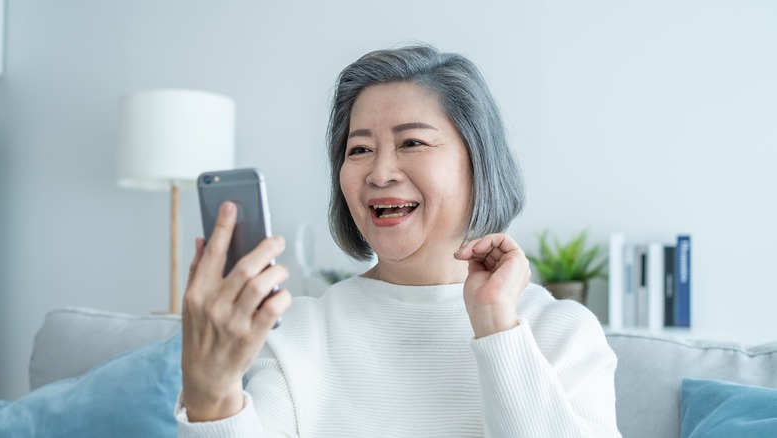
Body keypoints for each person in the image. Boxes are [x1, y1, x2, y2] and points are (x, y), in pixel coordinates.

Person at [176, 44, 620, 437]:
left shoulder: (562, 333)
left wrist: (496, 326)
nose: (380, 172)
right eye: (359, 149)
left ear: (478, 165)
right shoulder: (299, 333)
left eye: (412, 142)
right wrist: (210, 393)